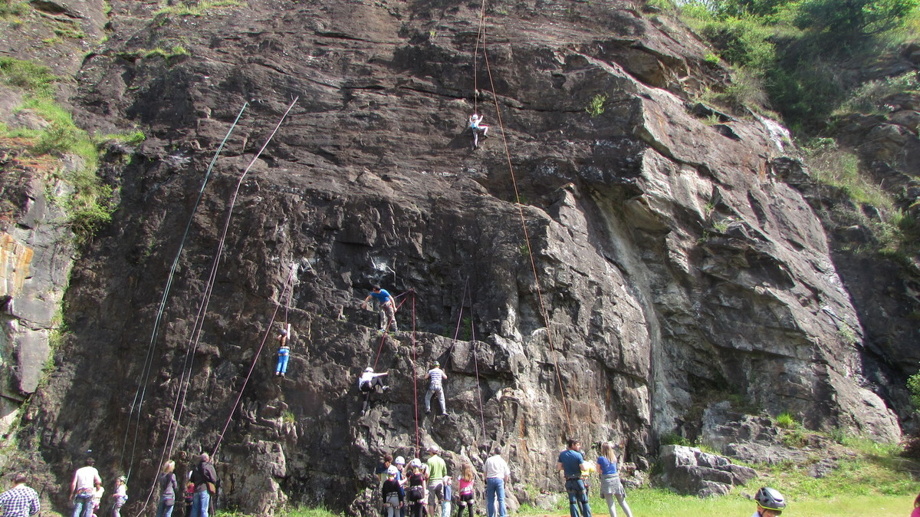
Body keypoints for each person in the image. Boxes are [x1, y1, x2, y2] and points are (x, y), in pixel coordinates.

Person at [595, 442, 632, 517]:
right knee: (622, 502)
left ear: (602, 449)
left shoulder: (601, 458)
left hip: (606, 480)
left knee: (611, 504)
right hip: (616, 479)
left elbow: (598, 470)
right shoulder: (614, 457)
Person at [557, 439, 591, 517]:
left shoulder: (562, 454)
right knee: (584, 500)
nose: (579, 446)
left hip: (568, 480)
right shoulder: (578, 455)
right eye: (578, 445)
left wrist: (566, 468)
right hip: (578, 480)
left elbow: (559, 467)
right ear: (572, 445)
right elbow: (583, 468)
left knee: (572, 501)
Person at [483, 447, 510, 517]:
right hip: (499, 480)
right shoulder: (502, 461)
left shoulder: (489, 460)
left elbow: (485, 471)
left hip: (490, 479)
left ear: (494, 452)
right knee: (501, 499)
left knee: (490, 499)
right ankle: (502, 515)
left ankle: (490, 515)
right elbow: (506, 474)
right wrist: (505, 483)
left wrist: (486, 480)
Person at [425, 448, 448, 517]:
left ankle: (432, 516)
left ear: (432, 452)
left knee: (431, 502)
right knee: (442, 500)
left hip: (432, 482)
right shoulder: (442, 460)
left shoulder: (429, 461)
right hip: (440, 482)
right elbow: (445, 473)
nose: (429, 453)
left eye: (429, 452)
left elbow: (427, 474)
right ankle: (442, 515)